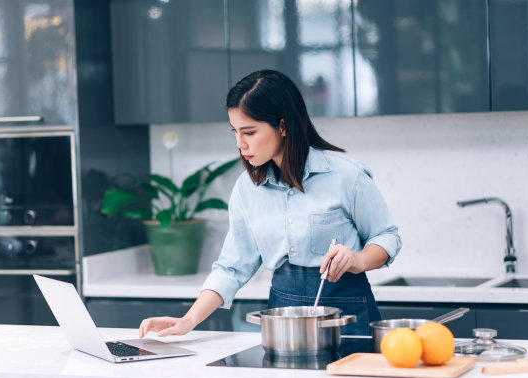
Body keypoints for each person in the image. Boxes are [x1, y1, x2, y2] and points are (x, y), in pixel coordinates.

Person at [139, 69, 401, 352]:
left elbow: (387, 237)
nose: (241, 144)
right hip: (283, 321)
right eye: (235, 132)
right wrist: (187, 321)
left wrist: (358, 260)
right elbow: (232, 267)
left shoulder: (347, 177)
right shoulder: (246, 189)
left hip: (348, 318)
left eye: (249, 132)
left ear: (283, 126)